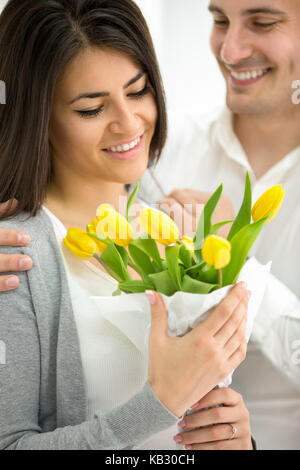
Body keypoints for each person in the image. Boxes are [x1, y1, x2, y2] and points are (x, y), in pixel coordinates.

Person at [0, 0, 252, 450]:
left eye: (137, 91)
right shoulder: (15, 256)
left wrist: (236, 438)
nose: (129, 122)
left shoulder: (174, 220)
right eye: (91, 109)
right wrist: (160, 402)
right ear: (37, 118)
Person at [136, 0, 300, 450]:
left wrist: (234, 262)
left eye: (262, 23)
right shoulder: (158, 153)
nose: (229, 50)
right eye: (219, 21)